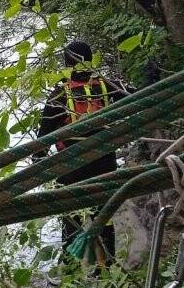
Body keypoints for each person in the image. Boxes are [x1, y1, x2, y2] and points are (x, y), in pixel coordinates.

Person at [35, 39, 128, 262]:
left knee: (72, 218)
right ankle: (105, 266)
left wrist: (40, 167)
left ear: (67, 63)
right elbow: (136, 99)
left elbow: (42, 138)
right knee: (104, 216)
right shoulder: (108, 86)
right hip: (105, 162)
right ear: (89, 60)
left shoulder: (59, 95)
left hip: (72, 166)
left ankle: (70, 269)